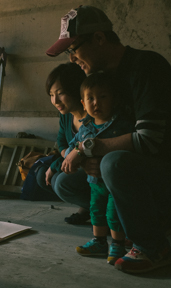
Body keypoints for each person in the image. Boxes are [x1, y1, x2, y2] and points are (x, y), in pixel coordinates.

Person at [46, 5, 171, 273]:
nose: (72, 59)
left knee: (113, 164)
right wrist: (82, 157)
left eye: (73, 49)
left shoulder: (146, 66)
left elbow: (148, 140)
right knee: (65, 182)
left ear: (100, 39)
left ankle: (153, 247)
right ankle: (147, 220)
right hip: (143, 171)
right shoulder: (104, 79)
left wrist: (90, 149)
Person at [63, 72, 134, 264]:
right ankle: (99, 241)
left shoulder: (122, 125)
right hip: (94, 182)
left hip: (114, 184)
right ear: (83, 103)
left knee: (113, 214)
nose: (96, 103)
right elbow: (71, 147)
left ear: (114, 99)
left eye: (103, 97)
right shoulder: (85, 128)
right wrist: (71, 157)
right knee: (96, 211)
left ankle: (117, 244)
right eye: (90, 98)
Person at [38, 63, 91, 224]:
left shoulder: (94, 112)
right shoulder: (66, 115)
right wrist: (67, 156)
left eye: (60, 93)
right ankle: (89, 207)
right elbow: (61, 142)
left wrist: (66, 160)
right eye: (51, 95)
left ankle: (106, 212)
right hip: (76, 163)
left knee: (61, 182)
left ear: (75, 89)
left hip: (94, 164)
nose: (55, 101)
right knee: (41, 176)